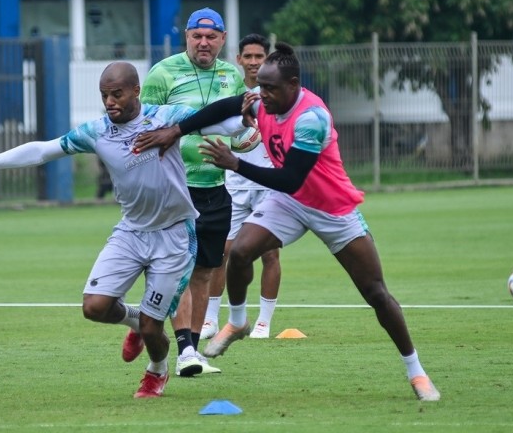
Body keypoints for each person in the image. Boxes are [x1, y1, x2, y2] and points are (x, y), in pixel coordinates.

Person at [133, 42, 441, 401]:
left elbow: (291, 178)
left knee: (376, 293)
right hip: (289, 203)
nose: (261, 95)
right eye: (260, 87)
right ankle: (237, 321)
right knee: (240, 251)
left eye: (270, 88)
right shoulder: (264, 101)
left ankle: (416, 371)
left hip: (332, 207)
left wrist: (235, 164)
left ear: (294, 84)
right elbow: (219, 108)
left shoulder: (312, 118)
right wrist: (176, 131)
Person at [0, 62, 246, 398]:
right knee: (94, 307)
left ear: (136, 90)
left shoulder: (165, 117)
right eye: (104, 95)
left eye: (116, 93)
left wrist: (244, 126)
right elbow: (43, 150)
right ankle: (135, 319)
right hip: (131, 233)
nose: (109, 101)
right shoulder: (97, 131)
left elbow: (218, 120)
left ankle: (157, 370)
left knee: (153, 328)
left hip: (174, 235)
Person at [139, 7, 246, 376]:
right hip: (174, 189)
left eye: (211, 37)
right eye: (197, 36)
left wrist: (247, 140)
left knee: (204, 271)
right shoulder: (163, 73)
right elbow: (144, 129)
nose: (203, 42)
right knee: (180, 269)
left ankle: (191, 348)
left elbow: (243, 124)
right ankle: (184, 349)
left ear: (222, 39)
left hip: (216, 188)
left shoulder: (232, 75)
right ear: (187, 36)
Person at [201, 33, 281, 340]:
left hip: (268, 183)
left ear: (267, 60)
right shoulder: (230, 91)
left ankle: (264, 321)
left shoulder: (275, 93)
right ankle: (210, 318)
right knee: (222, 252)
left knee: (269, 253)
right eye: (247, 57)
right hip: (234, 183)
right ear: (239, 60)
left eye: (259, 57)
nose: (253, 62)